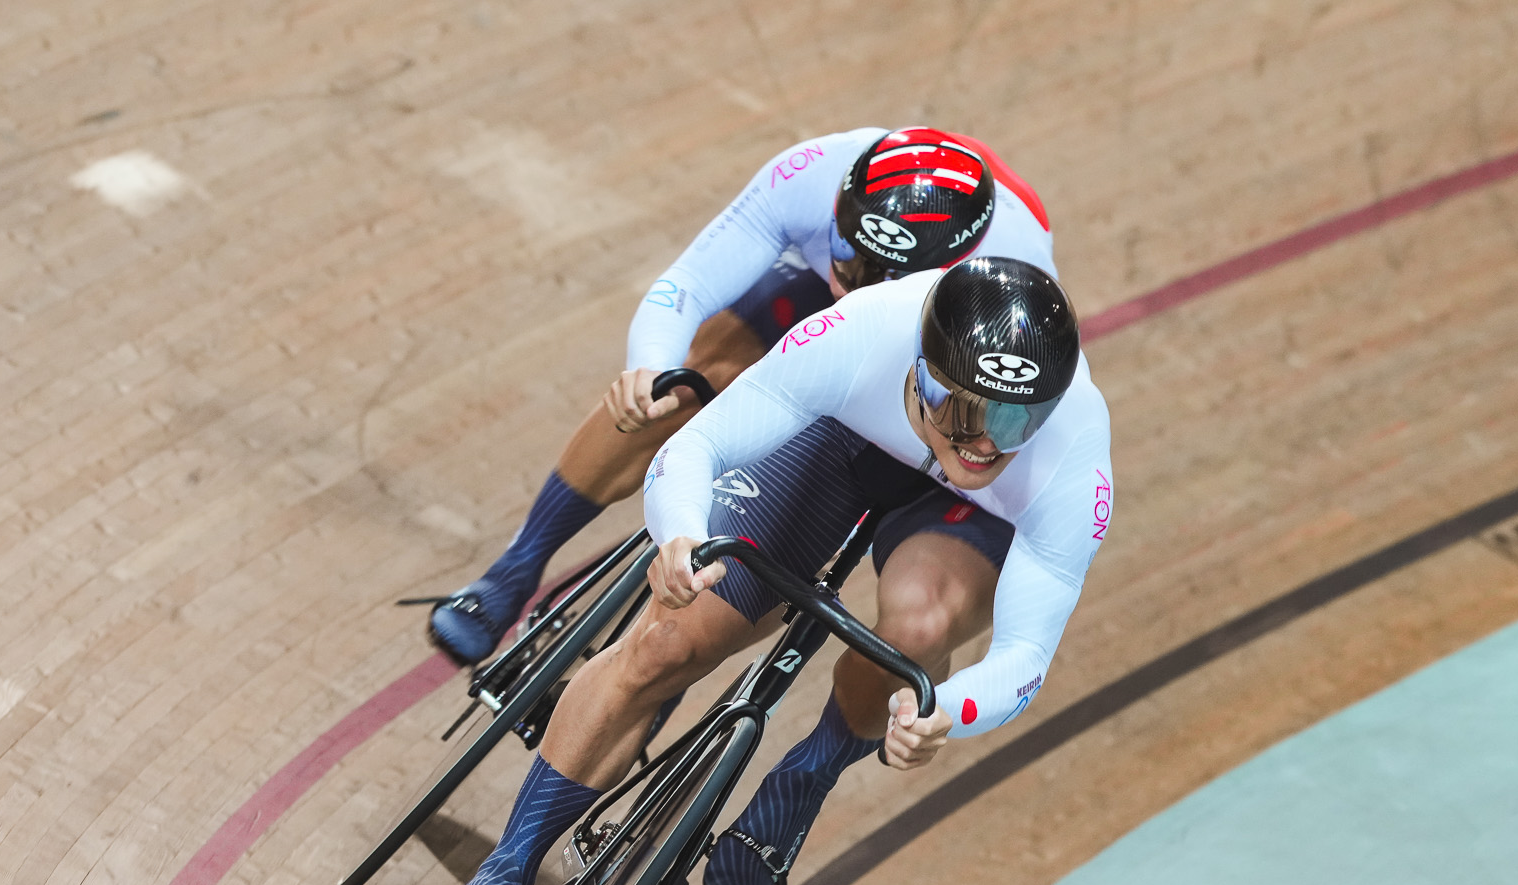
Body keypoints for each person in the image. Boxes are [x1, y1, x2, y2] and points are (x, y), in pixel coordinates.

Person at [415, 256, 1112, 885]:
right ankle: (502, 876)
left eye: (1015, 420)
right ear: (922, 370)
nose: (985, 445)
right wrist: (681, 534)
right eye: (968, 411)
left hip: (963, 518)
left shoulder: (1068, 451)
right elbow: (697, 446)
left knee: (920, 627)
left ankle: (811, 769)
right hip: (845, 438)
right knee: (663, 644)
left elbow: (1028, 651)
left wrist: (948, 712)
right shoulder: (863, 335)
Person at [427, 126, 1055, 666]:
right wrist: (649, 368)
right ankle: (515, 568)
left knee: (818, 481)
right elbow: (688, 285)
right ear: (838, 209)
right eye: (849, 260)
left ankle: (690, 648)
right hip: (855, 302)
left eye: (878, 279)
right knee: (683, 380)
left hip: (929, 353)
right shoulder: (810, 177)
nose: (856, 286)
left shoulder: (998, 289)